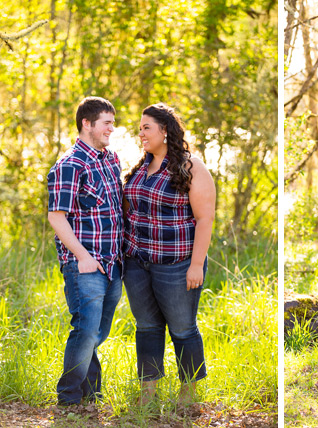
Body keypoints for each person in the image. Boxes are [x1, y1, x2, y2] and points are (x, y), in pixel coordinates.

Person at [122, 103, 215, 407]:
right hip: (137, 263)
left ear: (165, 130)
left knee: (182, 328)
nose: (141, 133)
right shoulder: (139, 168)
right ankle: (148, 393)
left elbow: (204, 219)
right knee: (146, 327)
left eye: (146, 127)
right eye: (140, 128)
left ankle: (188, 393)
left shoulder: (190, 168)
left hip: (176, 266)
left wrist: (197, 265)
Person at [46, 96, 123, 406]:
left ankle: (91, 396)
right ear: (87, 124)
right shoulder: (69, 164)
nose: (111, 129)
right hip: (85, 265)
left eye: (112, 123)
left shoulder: (111, 160)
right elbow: (56, 217)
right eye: (106, 123)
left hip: (114, 265)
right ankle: (69, 398)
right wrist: (82, 257)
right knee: (86, 330)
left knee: (95, 334)